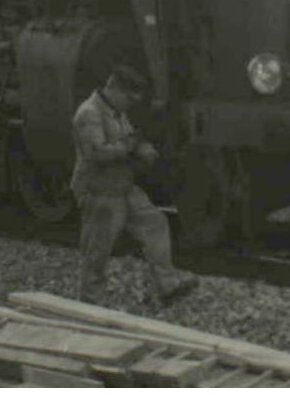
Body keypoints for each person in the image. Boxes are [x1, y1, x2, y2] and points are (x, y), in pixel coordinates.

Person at [71, 65, 198, 306]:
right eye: (129, 98)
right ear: (114, 89)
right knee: (97, 250)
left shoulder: (116, 111)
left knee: (156, 224)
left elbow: (129, 138)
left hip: (122, 186)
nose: (131, 104)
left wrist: (142, 148)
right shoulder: (89, 114)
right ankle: (89, 302)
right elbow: (97, 153)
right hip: (99, 191)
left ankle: (168, 284)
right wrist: (132, 148)